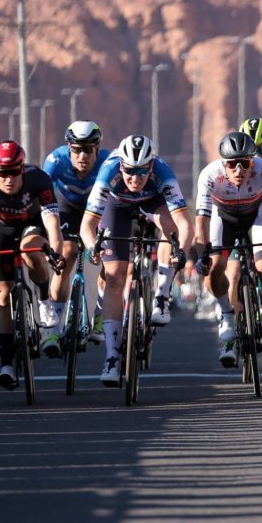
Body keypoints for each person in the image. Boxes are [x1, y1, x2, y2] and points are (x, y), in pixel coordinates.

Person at [80, 135, 193, 385]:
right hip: (117, 206)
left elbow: (185, 224)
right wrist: (91, 248)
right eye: (130, 170)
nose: (135, 177)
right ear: (121, 165)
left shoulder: (163, 173)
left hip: (153, 203)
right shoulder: (108, 172)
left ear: (151, 166)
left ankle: (161, 296)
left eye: (142, 171)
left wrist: (182, 251)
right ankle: (111, 357)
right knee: (114, 278)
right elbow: (87, 224)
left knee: (171, 230)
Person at [0, 141, 64, 390]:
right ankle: (7, 365)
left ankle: (44, 300)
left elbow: (52, 222)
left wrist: (56, 252)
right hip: (0, 230)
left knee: (30, 251)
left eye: (14, 172)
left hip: (32, 224)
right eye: (3, 173)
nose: (9, 179)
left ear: (22, 168)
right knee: (2, 296)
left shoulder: (38, 179)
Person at [195, 131, 262, 367]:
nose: (239, 170)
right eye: (232, 164)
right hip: (223, 218)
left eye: (245, 164)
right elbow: (202, 220)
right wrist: (202, 253)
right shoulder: (209, 175)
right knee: (216, 267)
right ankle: (227, 313)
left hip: (256, 216)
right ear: (223, 164)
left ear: (252, 162)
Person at [42, 121, 111, 353]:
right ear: (68, 149)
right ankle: (53, 331)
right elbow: (42, 197)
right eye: (77, 150)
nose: (82, 156)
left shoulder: (108, 162)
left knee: (109, 257)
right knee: (66, 255)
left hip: (98, 209)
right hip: (67, 206)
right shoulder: (55, 160)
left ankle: (100, 316)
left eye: (88, 150)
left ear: (97, 149)